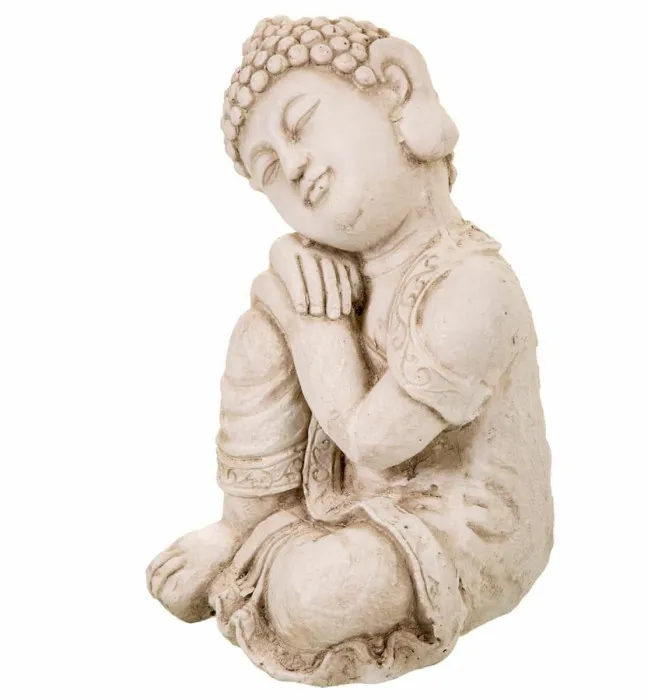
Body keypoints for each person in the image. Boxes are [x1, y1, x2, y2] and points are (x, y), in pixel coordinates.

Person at [146, 15, 553, 685]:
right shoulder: (332, 267)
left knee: (315, 595)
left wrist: (308, 322)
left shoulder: (475, 287)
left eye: (302, 124)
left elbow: (373, 441)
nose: (293, 166)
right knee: (261, 332)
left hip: (457, 530)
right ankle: (245, 524)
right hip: (345, 499)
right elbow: (283, 320)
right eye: (269, 170)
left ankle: (273, 559)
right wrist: (284, 278)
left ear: (397, 88)